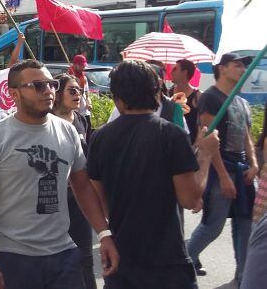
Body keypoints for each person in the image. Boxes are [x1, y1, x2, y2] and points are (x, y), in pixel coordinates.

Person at [0, 60, 119, 289]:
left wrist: (104, 232)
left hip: (63, 253)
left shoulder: (67, 131)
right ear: (14, 94)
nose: (48, 91)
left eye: (51, 84)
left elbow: (83, 187)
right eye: (38, 85)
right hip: (11, 255)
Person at [88, 59, 220, 289]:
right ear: (157, 92)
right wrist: (206, 155)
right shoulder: (171, 134)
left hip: (122, 256)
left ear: (117, 97)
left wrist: (106, 234)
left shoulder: (100, 137)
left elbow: (99, 200)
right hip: (167, 261)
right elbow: (190, 199)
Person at [187, 53, 259, 285]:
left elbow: (247, 136)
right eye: (237, 65)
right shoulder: (211, 98)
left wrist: (254, 164)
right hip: (221, 171)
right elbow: (208, 139)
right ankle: (182, 262)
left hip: (243, 171)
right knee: (212, 226)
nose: (242, 69)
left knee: (245, 224)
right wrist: (224, 176)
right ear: (222, 68)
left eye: (243, 65)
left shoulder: (242, 101)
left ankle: (243, 276)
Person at [52, 73, 95, 289]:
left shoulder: (82, 120)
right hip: (54, 199)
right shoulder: (46, 122)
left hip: (79, 199)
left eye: (79, 90)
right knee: (56, 257)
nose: (78, 94)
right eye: (72, 90)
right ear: (58, 94)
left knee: (85, 254)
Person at [170, 59, 200, 143]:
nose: (171, 72)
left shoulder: (197, 96)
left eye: (175, 69)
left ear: (185, 72)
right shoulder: (167, 94)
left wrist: (195, 146)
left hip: (189, 144)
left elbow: (201, 125)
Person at [67, 54, 92, 131]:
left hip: (84, 111)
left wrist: (89, 103)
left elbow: (87, 94)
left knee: (88, 129)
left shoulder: (84, 77)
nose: (83, 68)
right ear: (76, 65)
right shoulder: (68, 77)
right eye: (82, 66)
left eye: (84, 66)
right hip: (74, 111)